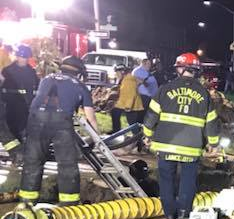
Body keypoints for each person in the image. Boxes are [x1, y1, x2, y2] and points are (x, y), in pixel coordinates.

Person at [142, 52, 220, 219]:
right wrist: (213, 144)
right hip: (191, 147)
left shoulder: (165, 89)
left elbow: (151, 116)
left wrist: (147, 135)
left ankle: (169, 213)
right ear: (195, 70)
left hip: (166, 145)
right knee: (188, 180)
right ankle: (184, 213)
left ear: (180, 68)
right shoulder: (204, 94)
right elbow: (212, 121)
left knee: (166, 179)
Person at [18, 56, 98, 205]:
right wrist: (96, 138)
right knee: (67, 164)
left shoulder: (46, 79)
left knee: (33, 161)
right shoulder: (80, 86)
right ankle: (69, 204)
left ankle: (26, 201)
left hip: (35, 121)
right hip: (61, 123)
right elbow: (90, 118)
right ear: (79, 72)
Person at [1, 45, 39, 143]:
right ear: (17, 57)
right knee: (12, 130)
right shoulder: (7, 71)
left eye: (26, 58)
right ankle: (16, 152)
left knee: (24, 131)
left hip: (26, 106)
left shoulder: (32, 72)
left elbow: (36, 87)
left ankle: (21, 151)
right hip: (11, 106)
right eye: (22, 57)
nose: (24, 60)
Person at [110, 65, 145, 133]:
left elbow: (131, 95)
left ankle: (137, 138)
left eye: (117, 73)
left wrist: (128, 107)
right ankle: (116, 131)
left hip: (131, 105)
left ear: (122, 72)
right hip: (122, 103)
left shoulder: (128, 80)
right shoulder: (123, 79)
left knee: (132, 123)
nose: (116, 75)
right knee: (114, 112)